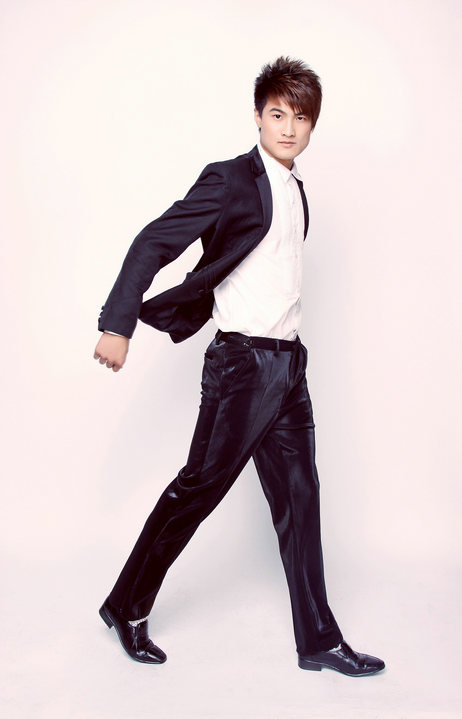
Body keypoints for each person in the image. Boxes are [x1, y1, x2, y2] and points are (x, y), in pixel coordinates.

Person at [93, 57, 385, 677]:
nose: (289, 128)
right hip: (242, 365)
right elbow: (154, 241)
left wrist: (289, 360)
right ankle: (126, 605)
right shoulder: (229, 180)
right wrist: (117, 325)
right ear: (257, 116)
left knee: (301, 498)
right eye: (277, 114)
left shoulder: (297, 190)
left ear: (312, 126)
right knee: (198, 490)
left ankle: (318, 640)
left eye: (300, 118)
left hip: (289, 365)